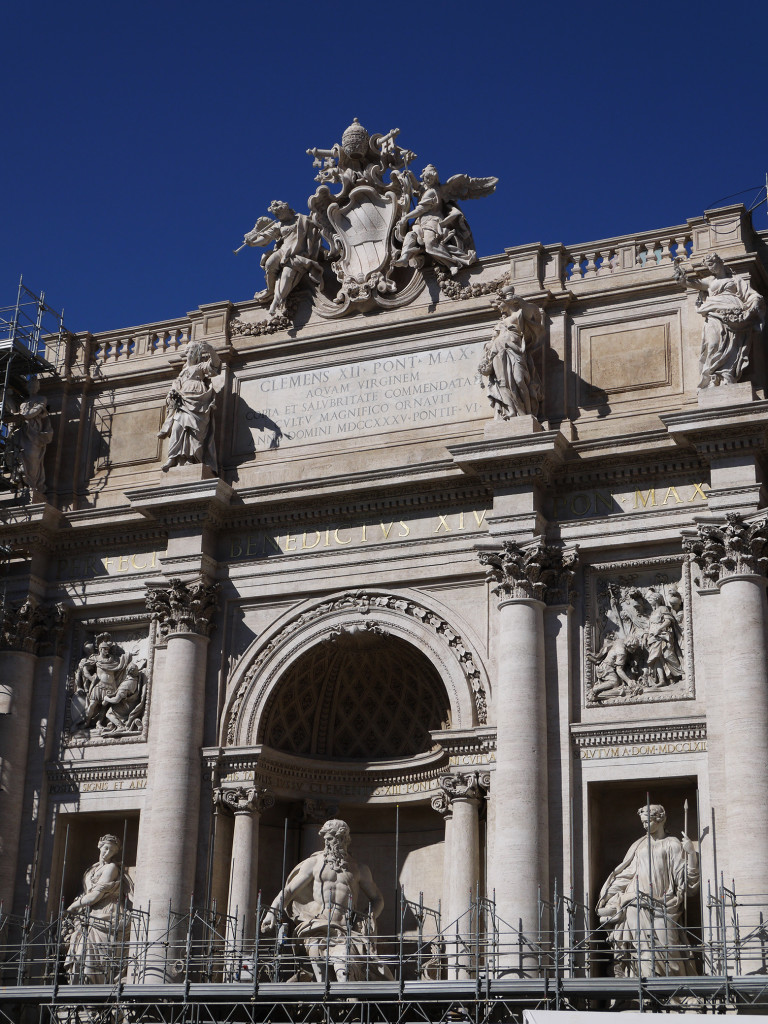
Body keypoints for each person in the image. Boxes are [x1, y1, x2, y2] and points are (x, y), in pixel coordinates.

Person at [261, 818, 392, 982]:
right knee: (321, 976)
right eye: (324, 838)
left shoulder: (358, 868)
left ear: (342, 838)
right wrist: (272, 911)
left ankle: (349, 1005)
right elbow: (289, 890)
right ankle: (327, 1006)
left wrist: (367, 918)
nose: (326, 842)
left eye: (329, 838)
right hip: (317, 927)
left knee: (343, 969)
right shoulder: (314, 863)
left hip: (346, 929)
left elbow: (377, 898)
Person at [596, 804, 699, 978]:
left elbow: (686, 883)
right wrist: (609, 895)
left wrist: (692, 856)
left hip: (663, 903)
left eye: (648, 821)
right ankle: (644, 996)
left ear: (661, 819)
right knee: (642, 950)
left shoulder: (672, 844)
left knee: (669, 950)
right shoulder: (639, 846)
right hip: (635, 902)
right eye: (642, 822)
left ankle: (677, 995)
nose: (644, 825)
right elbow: (627, 873)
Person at [677, 252, 765, 388]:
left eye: (712, 264)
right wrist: (680, 275)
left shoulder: (736, 280)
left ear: (720, 262)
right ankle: (713, 376)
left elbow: (752, 295)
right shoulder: (710, 281)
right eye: (708, 266)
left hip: (735, 317)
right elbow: (690, 283)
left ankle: (726, 375)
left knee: (732, 346)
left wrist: (754, 302)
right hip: (714, 314)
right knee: (713, 344)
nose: (711, 268)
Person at [395, 165, 496, 274]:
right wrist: (411, 176)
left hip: (432, 222)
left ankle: (452, 263)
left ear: (435, 179)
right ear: (423, 177)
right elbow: (418, 188)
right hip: (420, 223)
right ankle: (404, 258)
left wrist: (406, 217)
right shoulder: (425, 189)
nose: (428, 180)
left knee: (430, 245)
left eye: (431, 179)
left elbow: (421, 209)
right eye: (426, 178)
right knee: (410, 235)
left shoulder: (434, 192)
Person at [64, 835, 131, 984]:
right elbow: (87, 893)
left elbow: (95, 896)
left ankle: (94, 995)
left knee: (92, 957)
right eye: (106, 848)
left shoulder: (111, 868)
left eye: (112, 851)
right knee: (79, 953)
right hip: (90, 915)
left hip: (106, 914)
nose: (107, 852)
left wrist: (72, 907)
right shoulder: (92, 869)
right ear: (99, 846)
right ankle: (79, 994)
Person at [244, 201, 323, 317]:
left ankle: (276, 302)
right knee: (269, 264)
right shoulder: (279, 225)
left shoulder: (302, 219)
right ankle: (271, 290)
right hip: (282, 250)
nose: (278, 216)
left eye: (279, 213)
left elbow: (317, 229)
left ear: (285, 209)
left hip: (296, 254)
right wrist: (253, 243)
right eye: (276, 215)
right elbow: (266, 237)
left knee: (286, 275)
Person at [478, 286, 545, 419]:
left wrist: (518, 300)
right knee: (502, 383)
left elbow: (534, 313)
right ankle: (511, 410)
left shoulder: (517, 315)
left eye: (499, 302)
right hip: (498, 354)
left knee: (519, 380)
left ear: (507, 302)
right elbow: (491, 342)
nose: (497, 306)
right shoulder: (499, 324)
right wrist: (486, 358)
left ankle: (527, 412)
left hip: (515, 352)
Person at [158, 341, 224, 472]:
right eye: (187, 350)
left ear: (197, 354)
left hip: (199, 402)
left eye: (192, 350)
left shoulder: (200, 367)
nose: (189, 353)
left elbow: (216, 366)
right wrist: (172, 395)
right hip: (182, 402)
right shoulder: (182, 373)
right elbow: (173, 390)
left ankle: (192, 459)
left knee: (194, 432)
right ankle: (173, 457)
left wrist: (210, 349)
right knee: (177, 429)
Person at [9, 377, 54, 493]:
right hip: (22, 431)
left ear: (38, 387)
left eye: (34, 385)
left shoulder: (42, 399)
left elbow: (33, 413)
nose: (32, 387)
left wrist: (22, 416)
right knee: (17, 456)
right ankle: (19, 483)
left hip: (34, 433)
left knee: (31, 456)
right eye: (30, 385)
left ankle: (33, 484)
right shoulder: (23, 402)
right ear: (27, 387)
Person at [644, 591, 683, 688]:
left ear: (656, 600)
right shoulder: (653, 612)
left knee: (668, 655)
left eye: (651, 600)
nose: (649, 602)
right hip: (653, 637)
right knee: (656, 658)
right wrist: (645, 636)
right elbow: (649, 626)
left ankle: (680, 673)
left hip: (663, 635)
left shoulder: (663, 608)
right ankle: (662, 679)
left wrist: (659, 629)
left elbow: (668, 620)